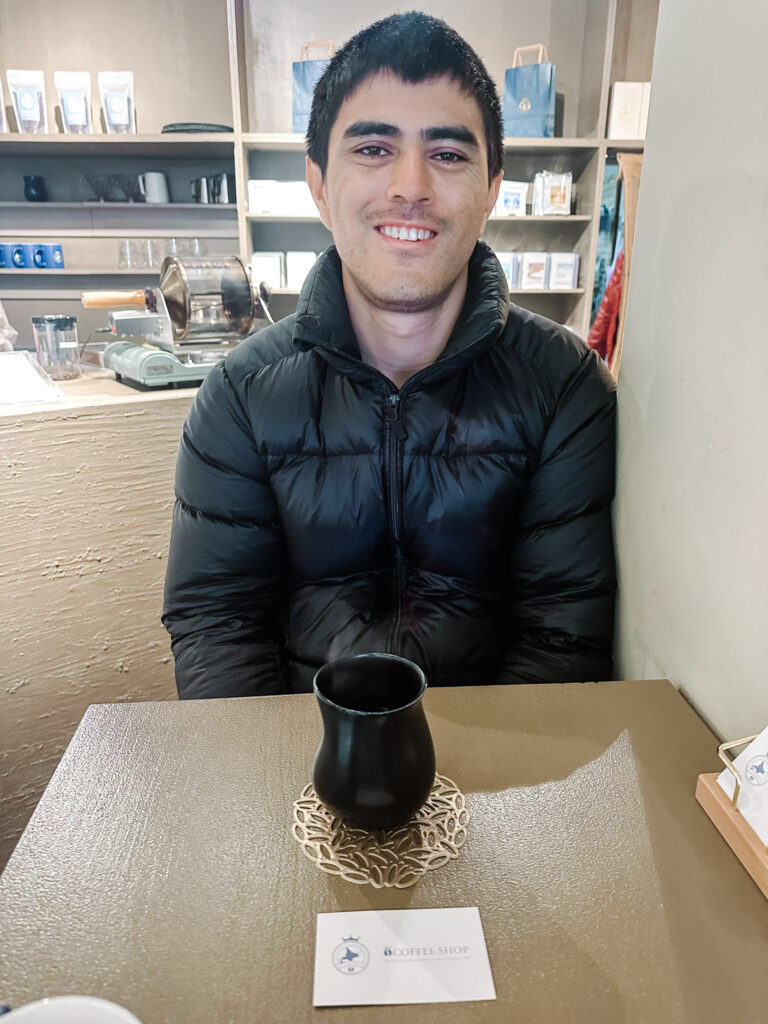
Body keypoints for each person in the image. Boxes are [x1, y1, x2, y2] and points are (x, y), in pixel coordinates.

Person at [162, 12, 617, 699]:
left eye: (449, 154)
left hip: (498, 747)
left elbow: (562, 638)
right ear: (319, 184)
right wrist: (299, 760)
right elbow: (217, 627)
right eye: (374, 148)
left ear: (492, 190)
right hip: (300, 748)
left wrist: (467, 764)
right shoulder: (239, 396)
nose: (410, 185)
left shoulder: (565, 387)